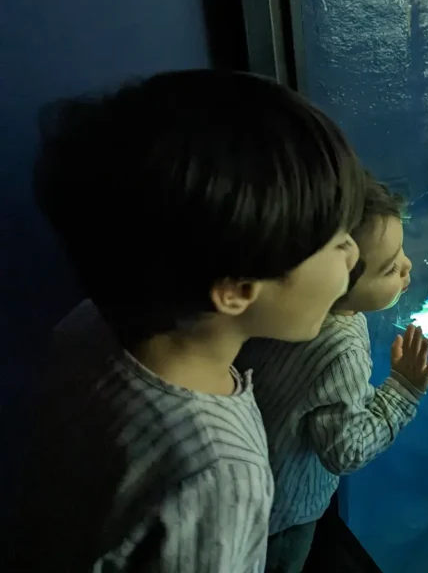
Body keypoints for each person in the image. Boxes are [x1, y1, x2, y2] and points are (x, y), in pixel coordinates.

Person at [5, 69, 367, 572]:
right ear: (239, 291)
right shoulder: (220, 471)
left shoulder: (87, 327)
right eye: (335, 243)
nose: (354, 253)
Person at [236, 177, 428, 573]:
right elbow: (346, 450)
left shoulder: (277, 304)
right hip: (282, 519)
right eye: (389, 267)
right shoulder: (342, 347)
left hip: (247, 487)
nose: (407, 266)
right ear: (341, 275)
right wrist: (402, 391)